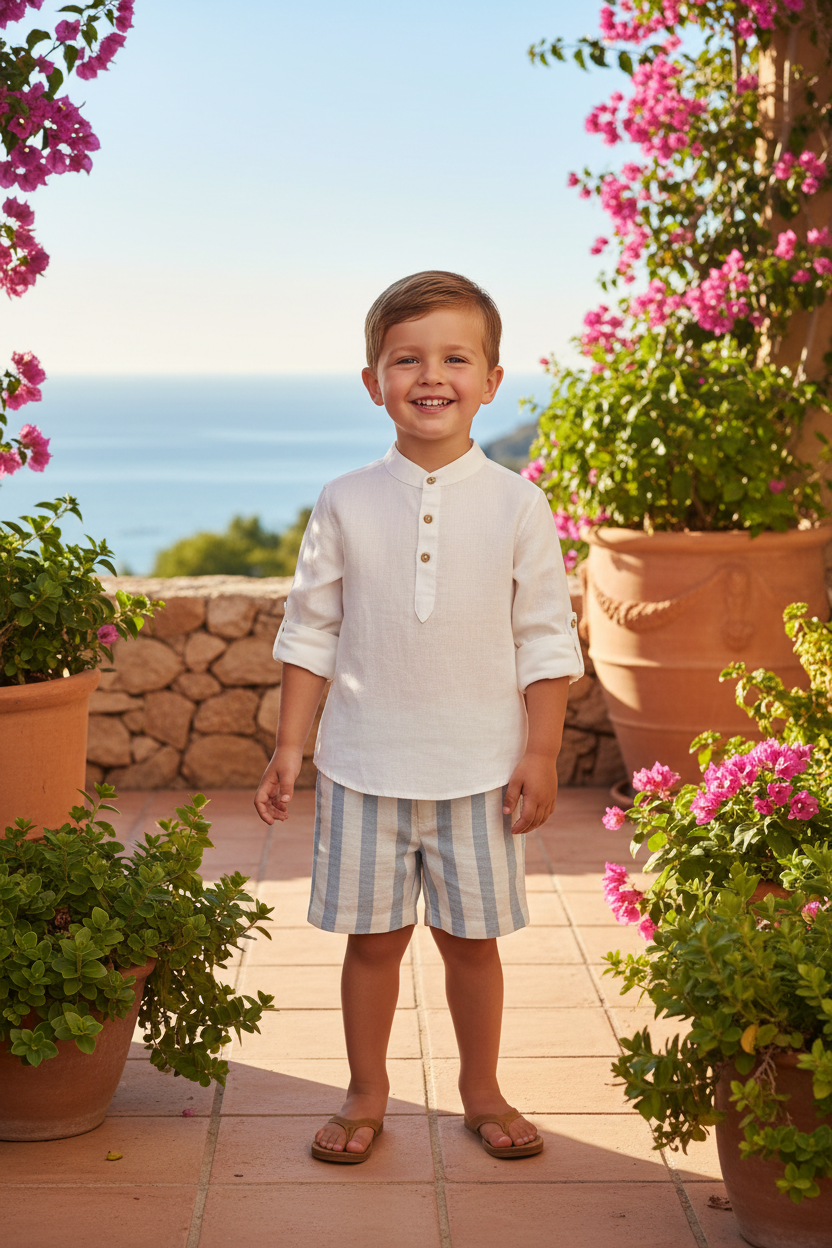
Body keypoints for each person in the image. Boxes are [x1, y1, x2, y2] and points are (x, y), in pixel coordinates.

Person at [254, 270, 583, 1163]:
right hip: (364, 768)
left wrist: (542, 752)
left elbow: (546, 639)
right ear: (374, 381)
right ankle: (366, 1092)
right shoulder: (345, 500)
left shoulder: (520, 504)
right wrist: (292, 747)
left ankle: (482, 1090)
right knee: (374, 944)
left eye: (453, 358)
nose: (430, 376)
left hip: (481, 772)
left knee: (472, 947)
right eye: (407, 359)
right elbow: (311, 630)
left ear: (492, 378)